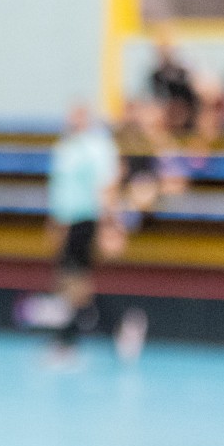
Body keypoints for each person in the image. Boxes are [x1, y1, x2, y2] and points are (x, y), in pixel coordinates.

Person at [45, 103, 146, 363]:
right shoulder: (65, 148)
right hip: (69, 220)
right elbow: (60, 188)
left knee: (75, 280)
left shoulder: (98, 147)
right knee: (72, 282)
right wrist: (55, 222)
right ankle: (110, 328)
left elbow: (106, 185)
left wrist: (108, 223)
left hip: (87, 219)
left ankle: (72, 339)